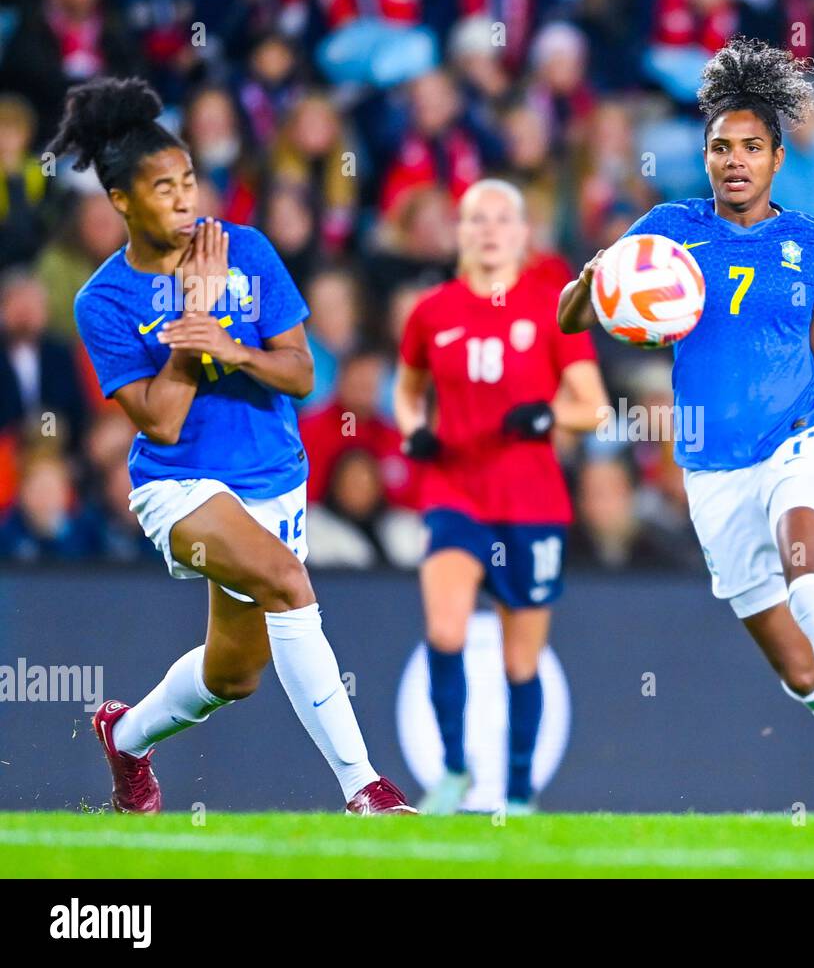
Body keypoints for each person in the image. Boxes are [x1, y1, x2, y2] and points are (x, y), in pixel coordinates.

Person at [557, 38, 814, 815]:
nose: (735, 161)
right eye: (721, 147)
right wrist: (592, 282)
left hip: (802, 439)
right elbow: (572, 317)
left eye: (751, 148)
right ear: (705, 155)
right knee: (800, 674)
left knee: (810, 577)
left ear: (777, 158)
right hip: (712, 471)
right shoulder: (666, 230)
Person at [58, 77, 415, 815]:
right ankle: (367, 789)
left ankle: (124, 736)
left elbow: (303, 370)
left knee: (235, 670)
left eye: (189, 179)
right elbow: (157, 420)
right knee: (287, 579)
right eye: (163, 188)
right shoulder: (104, 300)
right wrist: (192, 328)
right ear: (121, 201)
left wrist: (230, 343)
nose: (185, 199)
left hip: (273, 477)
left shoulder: (246, 250)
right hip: (178, 485)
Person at [394, 178, 608, 815]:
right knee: (445, 628)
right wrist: (414, 433)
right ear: (460, 233)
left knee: (522, 658)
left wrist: (547, 416)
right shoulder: (432, 312)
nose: (488, 230)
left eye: (500, 219)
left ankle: (517, 793)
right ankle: (455, 771)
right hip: (455, 491)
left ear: (521, 234)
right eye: (475, 220)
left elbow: (593, 407)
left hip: (531, 502)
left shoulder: (552, 308)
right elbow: (406, 392)